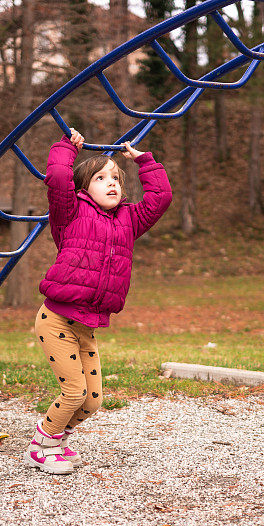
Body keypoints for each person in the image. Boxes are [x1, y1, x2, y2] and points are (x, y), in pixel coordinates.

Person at [24, 129, 172, 474]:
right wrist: (66, 148)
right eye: (101, 177)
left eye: (116, 178)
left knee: (93, 400)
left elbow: (161, 198)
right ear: (83, 186)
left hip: (87, 325)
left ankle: (57, 440)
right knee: (74, 393)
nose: (112, 183)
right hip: (57, 319)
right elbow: (58, 176)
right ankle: (42, 444)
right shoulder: (70, 213)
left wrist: (144, 162)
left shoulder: (129, 220)